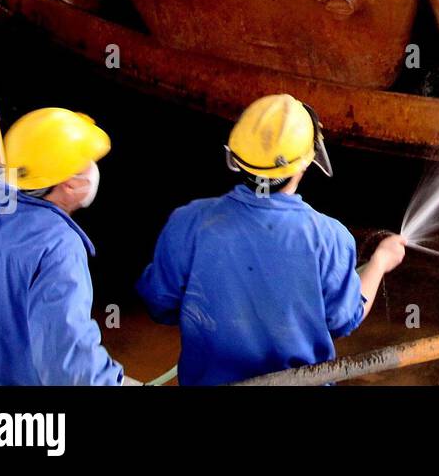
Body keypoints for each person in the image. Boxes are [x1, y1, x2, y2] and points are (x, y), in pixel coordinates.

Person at [136, 94, 405, 385]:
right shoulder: (330, 237)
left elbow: (159, 304)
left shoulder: (188, 222)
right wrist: (379, 262)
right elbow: (343, 319)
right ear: (306, 163)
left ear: (238, 159)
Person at [0, 108, 127, 385]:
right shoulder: (58, 248)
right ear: (69, 183)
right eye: (88, 162)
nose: (94, 169)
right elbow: (68, 366)